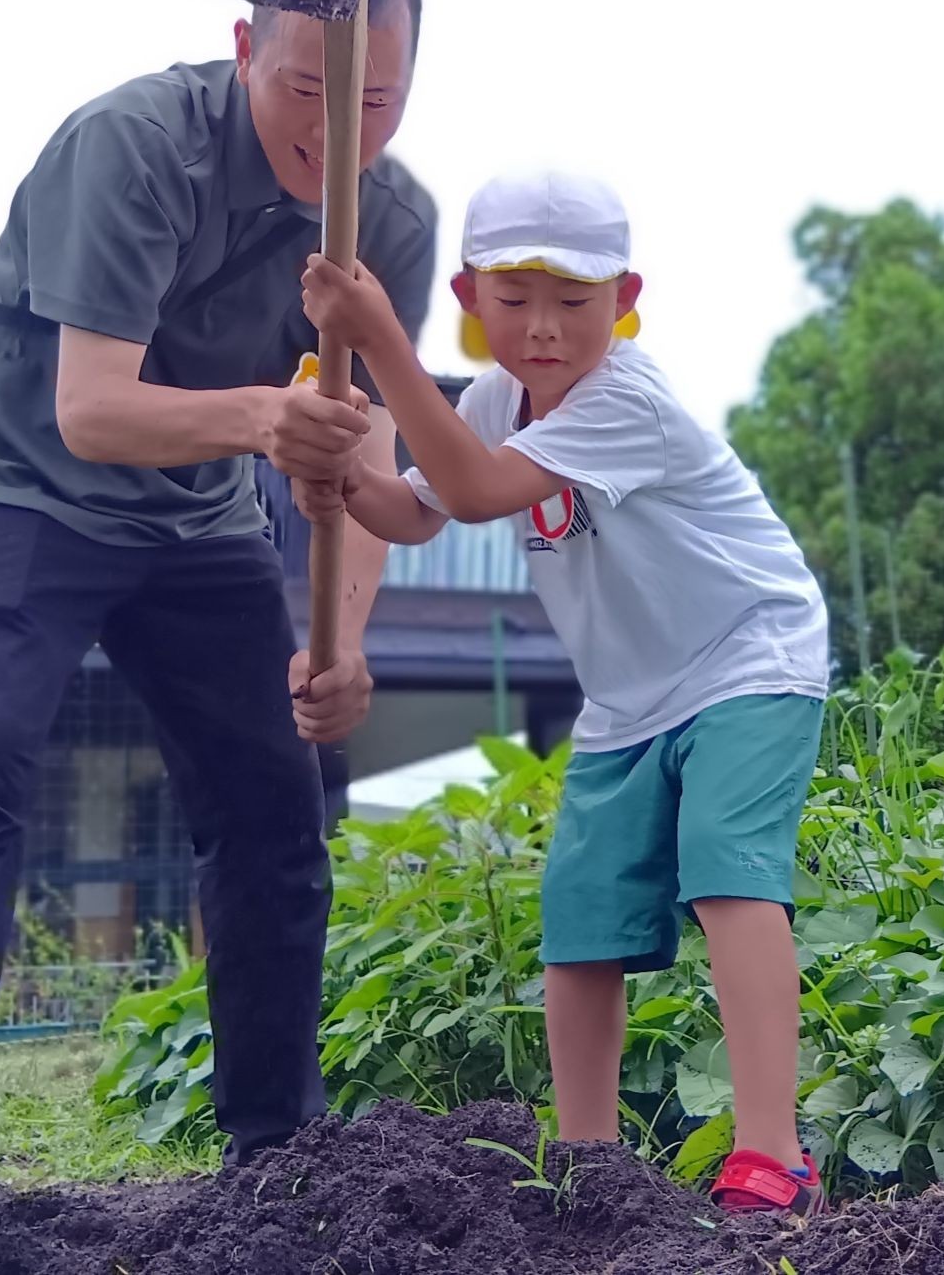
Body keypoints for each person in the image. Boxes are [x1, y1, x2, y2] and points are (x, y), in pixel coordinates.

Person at [0, 0, 438, 1275]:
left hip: (195, 521)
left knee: (280, 804)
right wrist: (270, 418)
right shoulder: (132, 146)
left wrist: (342, 643)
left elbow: (366, 454)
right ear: (240, 50)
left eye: (378, 104)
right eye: (304, 92)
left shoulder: (392, 220)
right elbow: (92, 409)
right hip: (14, 489)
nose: (337, 134)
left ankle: (276, 1165)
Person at [297, 169, 833, 1216]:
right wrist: (340, 478)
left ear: (624, 298)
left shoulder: (624, 396)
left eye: (575, 303)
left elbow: (476, 489)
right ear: (468, 302)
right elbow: (413, 510)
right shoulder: (497, 400)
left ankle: (772, 1151)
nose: (544, 329)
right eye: (515, 301)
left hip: (746, 655)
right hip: (628, 697)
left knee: (725, 871)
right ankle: (590, 1166)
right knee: (579, 918)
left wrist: (383, 343)